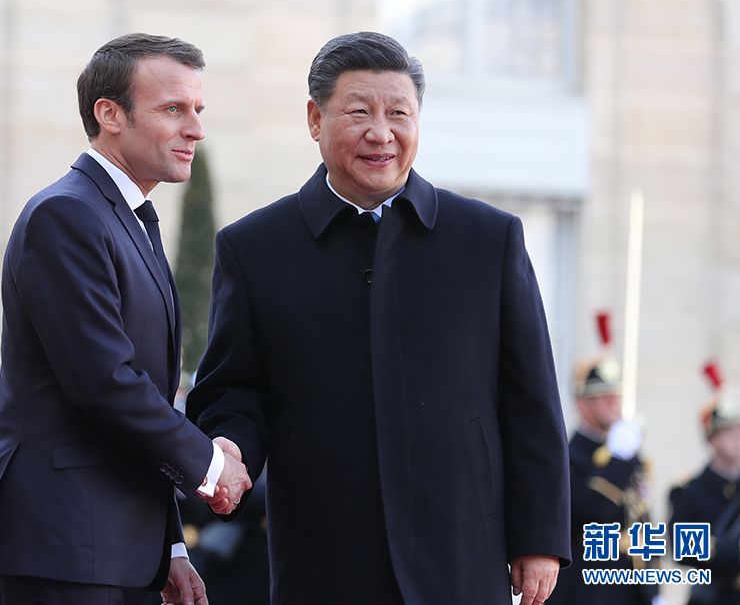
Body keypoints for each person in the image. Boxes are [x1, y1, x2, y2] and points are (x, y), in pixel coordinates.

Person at [186, 31, 571, 605]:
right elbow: (232, 389)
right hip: (325, 557)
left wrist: (539, 536)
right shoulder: (256, 248)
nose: (382, 133)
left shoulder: (487, 240)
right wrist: (230, 444)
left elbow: (531, 400)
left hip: (461, 549)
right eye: (360, 112)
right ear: (315, 119)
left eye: (399, 113)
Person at [0, 33, 251, 605]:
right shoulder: (67, 214)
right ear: (110, 114)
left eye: (198, 109)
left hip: (112, 541)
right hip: (63, 538)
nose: (196, 129)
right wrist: (209, 463)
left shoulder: (127, 217)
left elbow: (142, 393)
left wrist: (169, 546)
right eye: (173, 109)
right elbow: (104, 381)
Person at [546, 356, 657, 605]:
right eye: (603, 397)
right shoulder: (566, 457)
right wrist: (617, 460)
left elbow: (643, 524)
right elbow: (591, 512)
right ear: (582, 403)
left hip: (631, 587)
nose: (613, 403)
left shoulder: (628, 455)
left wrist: (653, 589)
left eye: (616, 395)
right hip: (586, 588)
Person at [669, 394, 740, 604]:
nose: (737, 438)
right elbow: (685, 548)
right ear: (712, 440)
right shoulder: (690, 491)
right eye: (728, 432)